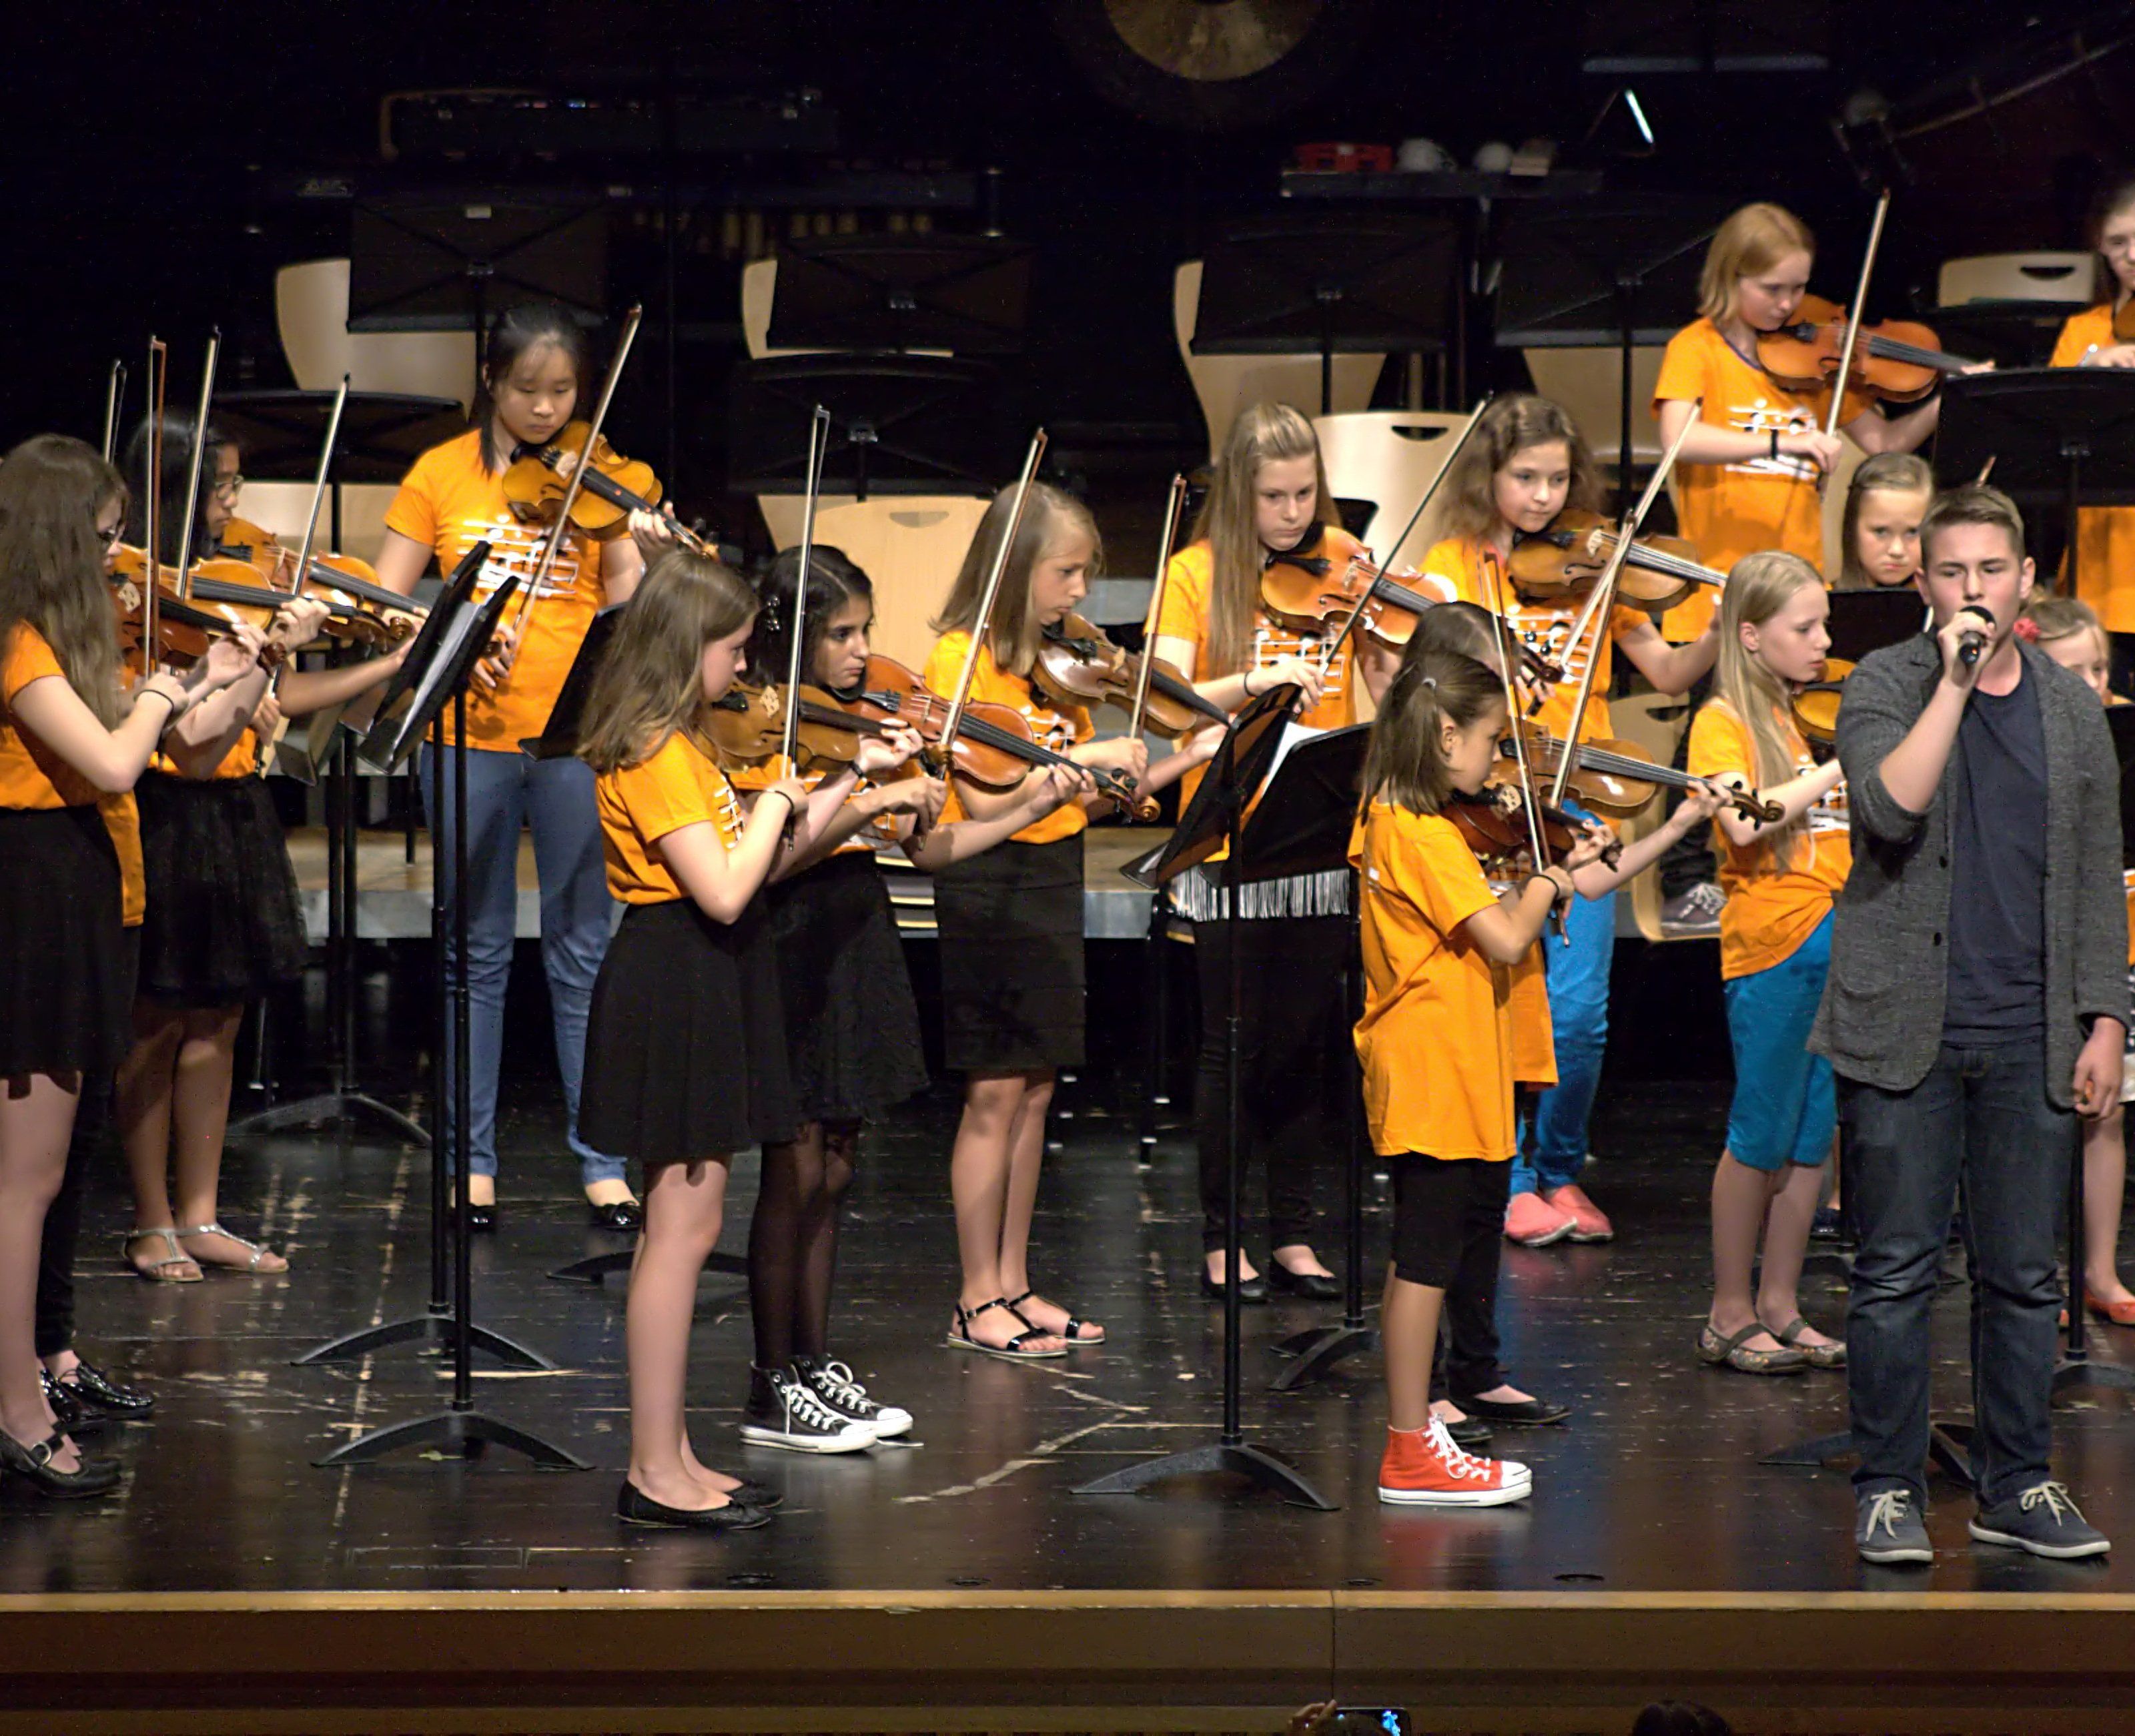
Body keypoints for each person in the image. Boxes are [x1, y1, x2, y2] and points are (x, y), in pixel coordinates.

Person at [1818, 484, 2124, 1565]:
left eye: (1992, 570)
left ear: (2026, 579)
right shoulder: (1885, 680)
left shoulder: (2070, 707)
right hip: (1905, 1025)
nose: (1974, 589)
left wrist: (2105, 1018)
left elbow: (2095, 872)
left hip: (2028, 1027)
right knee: (1896, 1269)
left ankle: (2018, 1480)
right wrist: (1953, 679)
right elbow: (1889, 808)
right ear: (1923, 581)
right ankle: (1887, 1485)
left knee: (2024, 1277)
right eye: (1952, 572)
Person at [576, 548, 901, 1523]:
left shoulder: (686, 744)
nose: (743, 669)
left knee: (692, 1224)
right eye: (731, 650)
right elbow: (722, 889)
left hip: (706, 978)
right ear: (686, 650)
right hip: (674, 978)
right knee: (679, 1233)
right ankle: (652, 1469)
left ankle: (672, 1451)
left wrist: (847, 781)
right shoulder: (653, 751)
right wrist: (780, 802)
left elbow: (766, 857)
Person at [731, 546, 1086, 1439]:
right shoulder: (761, 725)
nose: (861, 653)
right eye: (841, 635)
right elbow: (775, 861)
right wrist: (856, 784)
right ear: (794, 637)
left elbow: (931, 851)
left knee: (837, 1164)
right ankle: (771, 1380)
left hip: (856, 931)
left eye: (865, 631)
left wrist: (1027, 805)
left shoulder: (865, 727)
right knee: (794, 1166)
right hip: (788, 939)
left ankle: (813, 1360)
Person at [373, 301, 677, 1231]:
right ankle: (470, 1163)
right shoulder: (440, 474)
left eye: (563, 391)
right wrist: (453, 639)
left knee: (585, 946)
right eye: (527, 390)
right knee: (474, 952)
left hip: (575, 736)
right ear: (490, 383)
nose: (546, 410)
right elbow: (383, 601)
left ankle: (602, 1159)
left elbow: (624, 607)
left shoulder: (604, 476)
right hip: (468, 735)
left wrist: (645, 559)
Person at [0, 434, 260, 1498]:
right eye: (105, 538)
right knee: (22, 1183)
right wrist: (159, 689)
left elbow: (167, 745)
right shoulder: (19, 642)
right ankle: (16, 1407)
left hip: (76, 896)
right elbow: (116, 757)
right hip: (33, 902)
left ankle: (38, 1369)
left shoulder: (58, 642)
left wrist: (221, 677)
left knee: (50, 1175)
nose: (120, 557)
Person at [1399, 602, 1725, 1441]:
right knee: (1436, 1228)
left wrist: (1675, 822)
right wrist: (1543, 874)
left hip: (1497, 1023)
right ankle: (1424, 1391)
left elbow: (1583, 881)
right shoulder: (1419, 820)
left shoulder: (1494, 799)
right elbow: (1513, 920)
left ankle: (1475, 1372)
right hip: (1442, 1033)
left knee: (1482, 1210)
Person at [1420, 394, 1718, 1246]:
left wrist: (1715, 628)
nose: (1544, 497)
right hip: (1484, 801)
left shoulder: (1592, 564)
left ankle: (1557, 1167)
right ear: (1489, 476)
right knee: (1506, 998)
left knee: (1580, 1009)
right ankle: (1509, 1177)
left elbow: (1666, 672)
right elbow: (1429, 677)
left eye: (1557, 479)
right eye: (1525, 478)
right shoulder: (1452, 565)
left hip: (1578, 795)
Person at [114, 415, 405, 1282]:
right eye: (220, 487)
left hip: (235, 810)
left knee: (221, 1018)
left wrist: (380, 662)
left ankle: (200, 1214)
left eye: (236, 483)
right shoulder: (129, 593)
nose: (234, 504)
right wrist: (267, 654)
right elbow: (188, 738)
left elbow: (266, 703)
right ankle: (150, 1219)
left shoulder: (235, 576)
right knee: (155, 1023)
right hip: (162, 808)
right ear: (170, 489)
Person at [925, 481, 1212, 1358]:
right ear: (1015, 570)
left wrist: (1179, 760)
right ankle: (974, 1295)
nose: (1082, 590)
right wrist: (1081, 755)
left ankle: (1013, 1281)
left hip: (1049, 874)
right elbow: (986, 797)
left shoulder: (1052, 669)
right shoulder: (958, 661)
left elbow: (1080, 800)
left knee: (1037, 1088)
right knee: (992, 1093)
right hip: (987, 883)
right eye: (1067, 572)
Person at [1150, 402, 1401, 1302]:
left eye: (1304, 495)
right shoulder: (1195, 572)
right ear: (1238, 496)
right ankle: (1223, 1237)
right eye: (1273, 497)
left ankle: (1294, 1231)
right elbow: (1164, 696)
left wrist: (1387, 652)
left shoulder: (1342, 557)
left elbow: (1382, 684)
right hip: (1231, 831)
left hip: (1320, 826)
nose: (1293, 515)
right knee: (1233, 1044)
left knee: (1305, 1042)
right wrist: (1257, 679)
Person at [1352, 644, 1609, 1504]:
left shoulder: (1404, 818)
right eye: (1492, 742)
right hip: (1432, 1062)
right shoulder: (1416, 829)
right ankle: (1407, 1450)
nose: (1498, 762)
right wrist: (1545, 879)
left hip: (1455, 1058)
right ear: (1443, 734)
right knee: (1424, 1256)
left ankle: (1414, 1434)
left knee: (1428, 1251)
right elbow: (1502, 936)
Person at [1651, 203, 1954, 926]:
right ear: (1730, 277)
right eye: (1773, 289)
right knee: (1712, 726)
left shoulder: (1814, 362)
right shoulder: (1695, 348)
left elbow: (1884, 441)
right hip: (1724, 579)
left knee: (1797, 729)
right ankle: (1684, 877)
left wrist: (1953, 394)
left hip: (1801, 582)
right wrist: (1782, 444)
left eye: (1798, 288)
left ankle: (1804, 870)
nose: (1789, 306)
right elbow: (1676, 436)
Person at [1687, 552, 1851, 1376]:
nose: (1822, 641)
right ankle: (1728, 1311)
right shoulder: (1721, 722)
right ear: (1750, 636)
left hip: (1840, 933)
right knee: (1761, 1131)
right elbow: (1744, 822)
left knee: (1812, 1135)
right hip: (1775, 944)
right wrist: (1840, 763)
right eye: (1804, 627)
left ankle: (1780, 1304)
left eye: (1823, 625)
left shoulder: (1798, 716)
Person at [2018, 592, 2135, 1324]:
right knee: (2035, 1113)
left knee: (2107, 1111)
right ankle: (2035, 1271)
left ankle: (2099, 1269)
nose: (2093, 685)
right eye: (2073, 672)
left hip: (2115, 944)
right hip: (2038, 945)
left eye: (2099, 669)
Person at [2051, 175, 2135, 683]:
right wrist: (2092, 366)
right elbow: (2049, 421)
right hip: (2101, 563)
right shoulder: (2084, 331)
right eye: (2118, 242)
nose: (2133, 256)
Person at [1833, 453, 1934, 591]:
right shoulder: (1821, 602)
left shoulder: (1944, 603)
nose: (1897, 550)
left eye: (1912, 532)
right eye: (1881, 532)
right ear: (1852, 529)